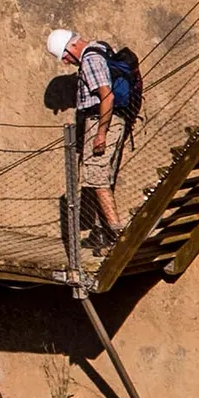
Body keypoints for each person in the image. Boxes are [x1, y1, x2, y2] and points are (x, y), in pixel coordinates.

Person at [47, 28, 126, 247]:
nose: (65, 62)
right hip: (105, 121)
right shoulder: (100, 49)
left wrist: (100, 133)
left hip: (102, 122)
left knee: (97, 177)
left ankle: (118, 236)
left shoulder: (90, 59)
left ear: (71, 47)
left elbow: (106, 96)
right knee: (95, 177)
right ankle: (101, 232)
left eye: (63, 56)